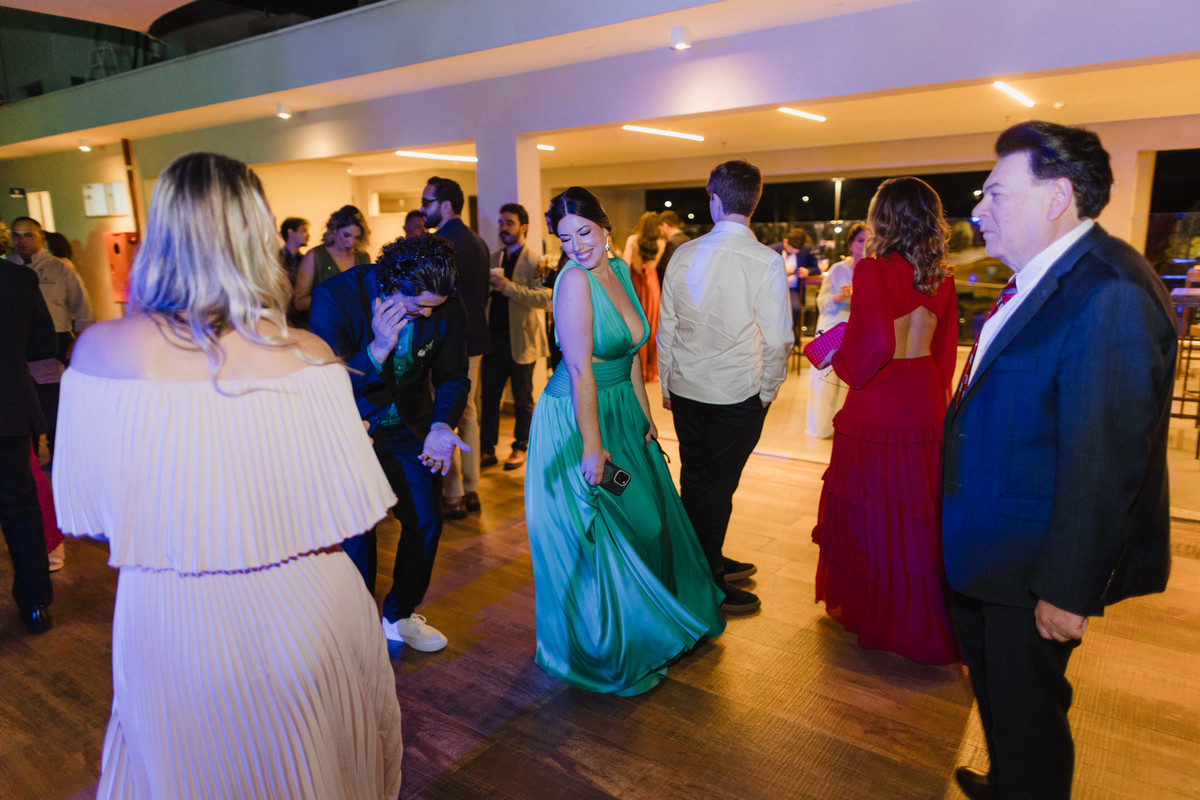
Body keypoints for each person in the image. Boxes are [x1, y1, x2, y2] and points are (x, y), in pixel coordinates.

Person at [51, 152, 404, 797]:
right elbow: (352, 516)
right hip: (309, 611)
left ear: (161, 235)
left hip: (174, 613)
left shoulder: (102, 353)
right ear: (256, 235)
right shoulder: (310, 355)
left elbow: (96, 523)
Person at [944, 121, 1175, 800]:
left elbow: (1104, 461)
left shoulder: (1107, 293)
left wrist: (1068, 589)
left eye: (995, 193)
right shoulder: (1046, 280)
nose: (978, 210)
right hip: (994, 554)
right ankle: (1013, 780)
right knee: (1009, 708)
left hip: (1032, 567)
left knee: (1030, 716)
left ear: (1056, 197)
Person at [524, 186, 725, 696]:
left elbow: (633, 349)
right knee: (610, 526)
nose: (576, 246)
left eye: (584, 233)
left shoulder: (617, 271)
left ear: (605, 227)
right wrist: (593, 445)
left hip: (619, 409)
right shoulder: (572, 283)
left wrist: (642, 413)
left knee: (649, 519)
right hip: (577, 418)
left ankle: (650, 625)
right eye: (565, 238)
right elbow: (579, 369)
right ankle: (604, 645)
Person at [811, 178, 959, 664]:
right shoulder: (943, 276)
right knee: (917, 511)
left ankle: (875, 610)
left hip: (878, 398)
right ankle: (921, 617)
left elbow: (874, 344)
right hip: (922, 398)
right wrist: (933, 402)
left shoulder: (873, 270)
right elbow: (945, 352)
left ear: (884, 218)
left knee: (870, 507)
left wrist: (843, 367)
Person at [311, 233, 471, 653]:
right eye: (417, 305)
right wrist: (378, 349)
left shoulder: (444, 304)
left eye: (432, 308)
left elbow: (454, 376)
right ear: (390, 282)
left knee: (425, 521)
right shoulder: (335, 297)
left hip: (409, 429)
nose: (424, 314)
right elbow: (325, 384)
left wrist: (441, 425)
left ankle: (399, 615)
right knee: (358, 535)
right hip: (350, 429)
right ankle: (358, 626)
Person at [658, 159, 793, 615]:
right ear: (752, 203)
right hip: (736, 394)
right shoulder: (765, 262)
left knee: (698, 479)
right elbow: (779, 339)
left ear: (714, 199)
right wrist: (769, 390)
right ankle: (705, 580)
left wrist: (668, 381)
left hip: (688, 389)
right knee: (715, 486)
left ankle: (704, 558)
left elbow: (668, 327)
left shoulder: (684, 254)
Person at [424, 176, 489, 516]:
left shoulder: (440, 243)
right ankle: (471, 489)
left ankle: (452, 496)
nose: (423, 209)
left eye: (427, 202)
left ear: (445, 205)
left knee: (446, 414)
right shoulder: (478, 241)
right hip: (476, 338)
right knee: (469, 414)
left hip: (450, 342)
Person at [0, 256, 57, 635]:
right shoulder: (19, 278)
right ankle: (35, 604)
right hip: (8, 406)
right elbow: (44, 342)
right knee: (20, 508)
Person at [10, 216, 94, 453]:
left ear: (41, 237)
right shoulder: (9, 266)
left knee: (53, 400)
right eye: (17, 235)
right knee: (25, 400)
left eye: (29, 234)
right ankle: (33, 454)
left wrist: (79, 338)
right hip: (21, 341)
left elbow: (82, 305)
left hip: (57, 339)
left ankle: (61, 449)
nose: (22, 240)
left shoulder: (59, 268)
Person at [482, 203, 552, 471]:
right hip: (493, 340)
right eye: (501, 223)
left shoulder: (536, 260)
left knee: (523, 399)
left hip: (522, 341)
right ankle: (486, 450)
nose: (503, 228)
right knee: (489, 398)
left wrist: (509, 287)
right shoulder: (492, 259)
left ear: (523, 227)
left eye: (509, 223)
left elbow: (545, 298)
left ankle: (520, 447)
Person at [806, 223, 868, 438]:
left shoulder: (874, 269)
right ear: (851, 244)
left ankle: (846, 427)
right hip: (834, 327)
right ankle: (822, 427)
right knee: (826, 379)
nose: (865, 244)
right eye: (860, 240)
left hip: (860, 328)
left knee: (851, 381)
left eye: (869, 240)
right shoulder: (838, 269)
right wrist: (839, 296)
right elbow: (821, 302)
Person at [292, 205, 370, 312]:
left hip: (357, 325)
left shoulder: (363, 257)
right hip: (325, 324)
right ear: (334, 230)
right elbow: (299, 302)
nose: (351, 242)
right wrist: (335, 299)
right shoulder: (315, 256)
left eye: (356, 237)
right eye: (346, 235)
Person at [622, 211, 664, 382]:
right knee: (652, 326)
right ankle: (651, 370)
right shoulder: (661, 242)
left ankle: (637, 370)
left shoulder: (632, 240)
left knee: (635, 326)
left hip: (635, 285)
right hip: (651, 285)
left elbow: (625, 262)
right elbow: (652, 266)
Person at [771, 228, 820, 343]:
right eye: (791, 249)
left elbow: (816, 268)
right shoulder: (772, 249)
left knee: (795, 308)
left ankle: (793, 339)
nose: (793, 252)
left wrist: (807, 271)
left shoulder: (806, 249)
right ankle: (775, 338)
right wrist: (781, 271)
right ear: (785, 242)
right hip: (773, 288)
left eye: (796, 251)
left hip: (793, 289)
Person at [656, 209, 690, 287]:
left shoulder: (671, 243)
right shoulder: (687, 239)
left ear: (664, 225)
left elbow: (665, 268)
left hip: (673, 285)